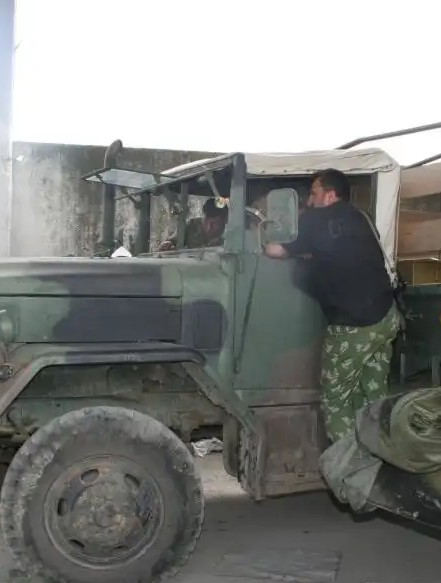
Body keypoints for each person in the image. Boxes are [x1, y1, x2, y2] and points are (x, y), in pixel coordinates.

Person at [263, 169, 400, 443]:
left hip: (355, 325)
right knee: (372, 395)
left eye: (313, 193)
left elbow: (274, 250)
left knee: (335, 397)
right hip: (387, 317)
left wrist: (260, 237)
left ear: (329, 195)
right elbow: (336, 252)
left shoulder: (316, 218)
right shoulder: (360, 218)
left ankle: (347, 462)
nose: (309, 201)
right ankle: (383, 451)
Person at [158, 197, 229, 251]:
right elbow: (172, 242)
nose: (208, 228)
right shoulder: (191, 226)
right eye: (206, 222)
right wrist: (166, 245)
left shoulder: (230, 235)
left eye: (214, 224)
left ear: (224, 221)